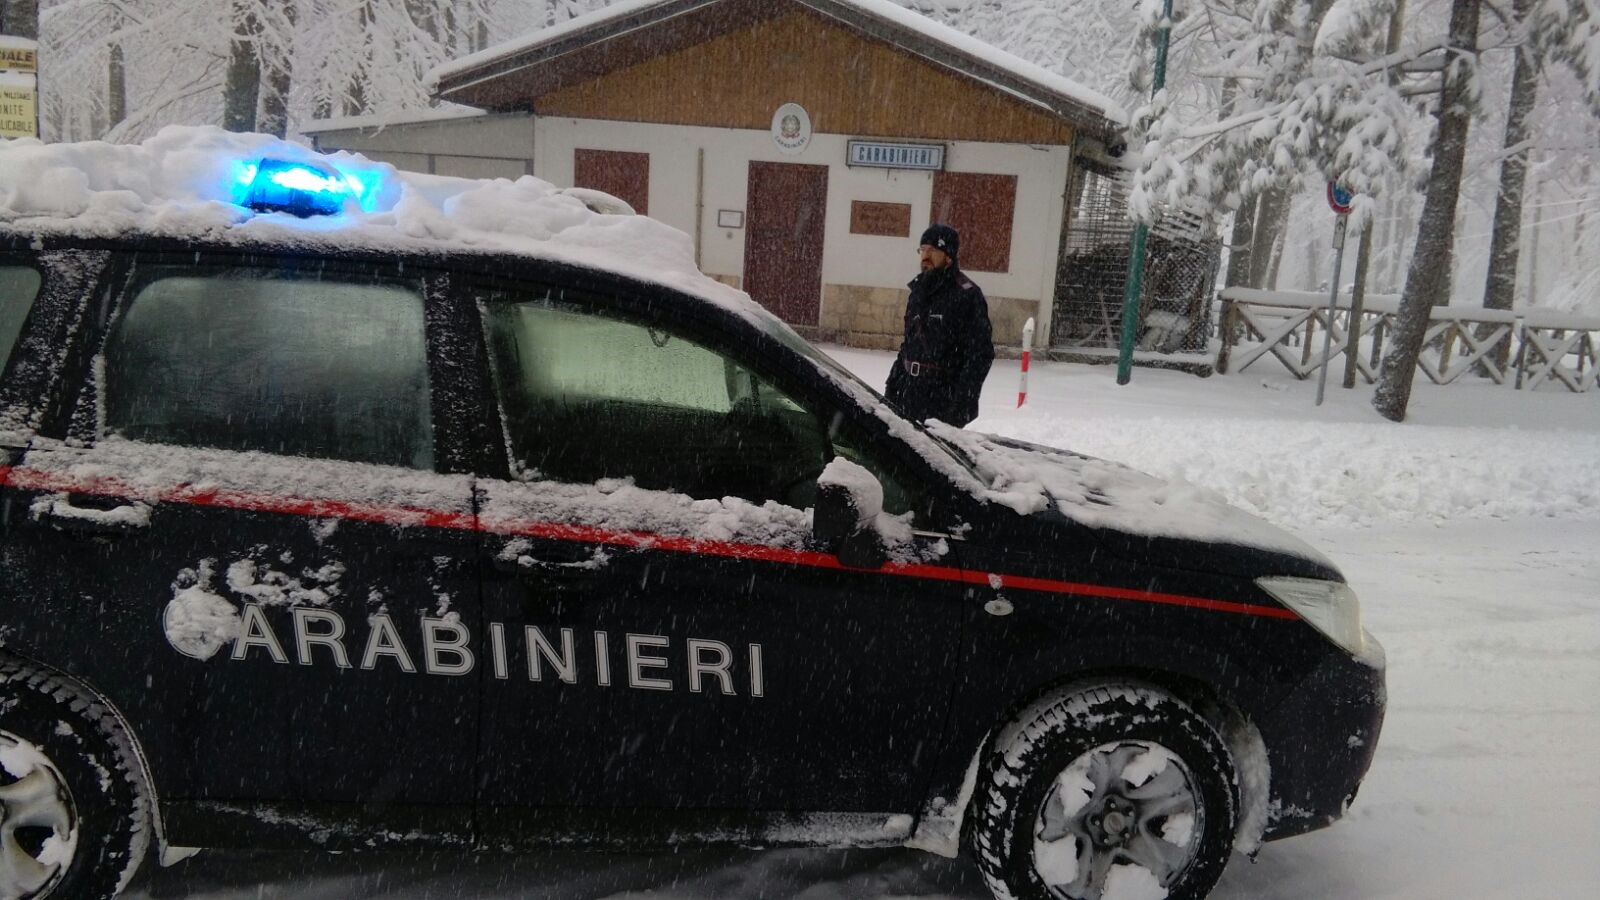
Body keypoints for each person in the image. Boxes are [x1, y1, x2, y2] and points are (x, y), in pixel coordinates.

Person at [884, 224, 994, 427]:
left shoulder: (967, 295)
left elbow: (980, 354)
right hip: (907, 393)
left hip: (942, 400)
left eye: (932, 250)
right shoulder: (917, 291)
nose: (925, 256)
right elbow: (909, 344)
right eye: (922, 249)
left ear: (948, 256)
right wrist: (892, 385)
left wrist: (961, 404)